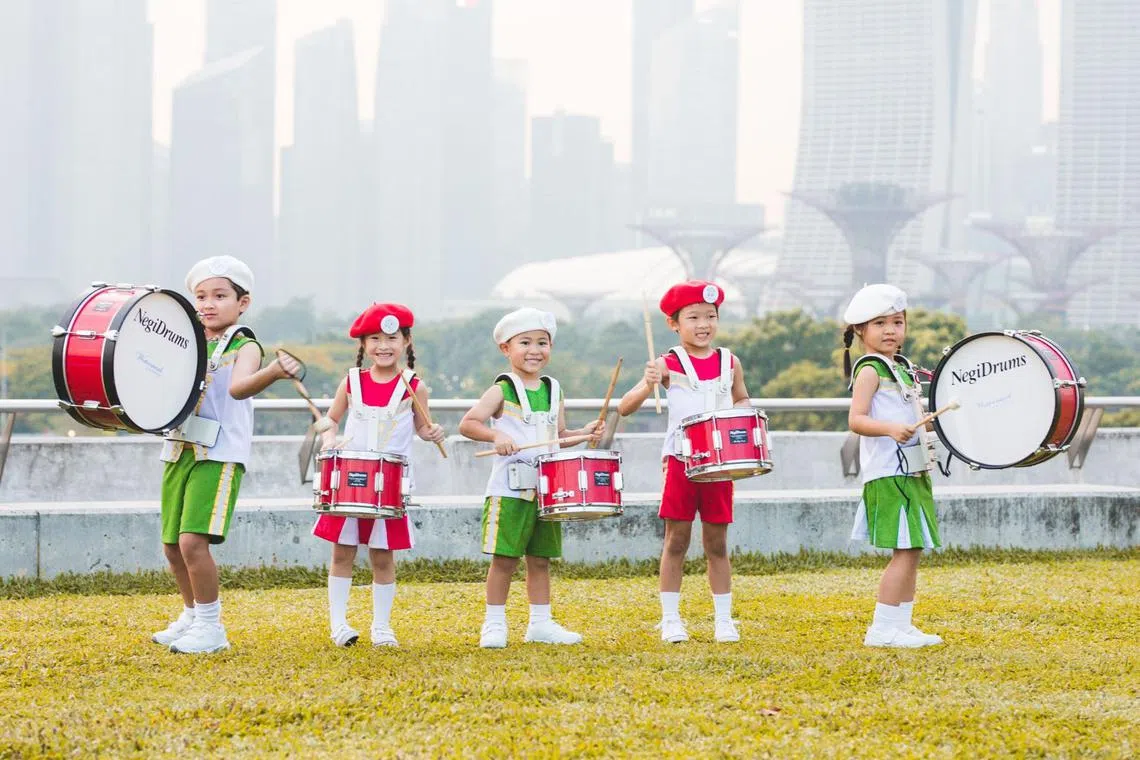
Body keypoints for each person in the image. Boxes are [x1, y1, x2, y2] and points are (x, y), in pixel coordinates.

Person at [153, 255, 302, 654]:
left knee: (192, 543)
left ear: (243, 302)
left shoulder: (243, 343)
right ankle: (190, 615)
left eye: (220, 295)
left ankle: (210, 626)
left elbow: (238, 388)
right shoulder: (187, 338)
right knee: (171, 545)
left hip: (218, 453)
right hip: (179, 446)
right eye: (200, 295)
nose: (208, 304)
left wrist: (272, 372)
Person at [458, 308, 603, 649]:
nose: (535, 350)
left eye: (543, 342)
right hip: (509, 488)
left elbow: (558, 435)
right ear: (506, 349)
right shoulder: (501, 389)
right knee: (505, 559)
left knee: (540, 559)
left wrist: (583, 433)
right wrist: (496, 438)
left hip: (547, 489)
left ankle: (541, 623)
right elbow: (469, 423)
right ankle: (494, 624)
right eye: (525, 342)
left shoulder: (555, 390)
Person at [617, 281, 751, 644]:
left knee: (717, 543)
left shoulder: (730, 361)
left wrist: (746, 414)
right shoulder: (668, 362)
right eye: (693, 317)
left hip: (721, 463)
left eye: (710, 316)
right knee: (676, 540)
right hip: (681, 460)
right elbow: (625, 408)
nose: (703, 324)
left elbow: (741, 399)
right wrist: (647, 385)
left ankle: (724, 619)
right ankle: (671, 618)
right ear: (674, 324)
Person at [312, 303, 445, 648]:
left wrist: (433, 433)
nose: (383, 346)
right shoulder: (352, 381)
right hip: (352, 481)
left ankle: (381, 627)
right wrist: (330, 440)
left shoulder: (414, 385)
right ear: (364, 345)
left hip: (389, 485)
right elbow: (331, 420)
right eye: (375, 339)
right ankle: (338, 624)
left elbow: (421, 427)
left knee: (382, 557)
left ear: (406, 341)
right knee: (342, 552)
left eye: (391, 338)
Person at [842, 283, 944, 648]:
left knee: (913, 548)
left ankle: (902, 623)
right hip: (889, 472)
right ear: (860, 331)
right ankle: (882, 628)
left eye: (897, 322)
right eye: (880, 323)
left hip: (912, 469)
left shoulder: (900, 367)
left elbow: (908, 415)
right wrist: (889, 429)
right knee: (904, 549)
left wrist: (930, 422)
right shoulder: (870, 370)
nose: (890, 330)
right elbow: (856, 419)